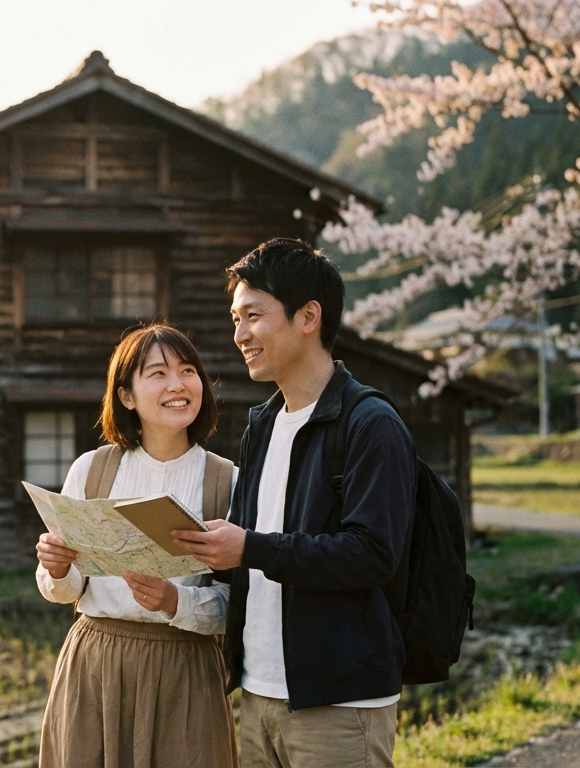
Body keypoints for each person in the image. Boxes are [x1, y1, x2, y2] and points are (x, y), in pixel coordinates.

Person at [173, 238, 416, 768]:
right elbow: (247, 549)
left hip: (339, 700)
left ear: (309, 316)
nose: (240, 335)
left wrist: (250, 547)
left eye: (253, 317)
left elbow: (373, 553)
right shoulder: (263, 424)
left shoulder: (370, 423)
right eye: (235, 319)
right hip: (258, 692)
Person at [35, 323, 238, 768]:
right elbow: (67, 590)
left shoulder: (226, 480)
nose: (177, 385)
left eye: (188, 371)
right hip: (96, 662)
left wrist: (175, 600)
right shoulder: (92, 470)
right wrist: (55, 567)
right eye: (158, 374)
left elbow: (240, 604)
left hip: (186, 668)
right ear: (126, 395)